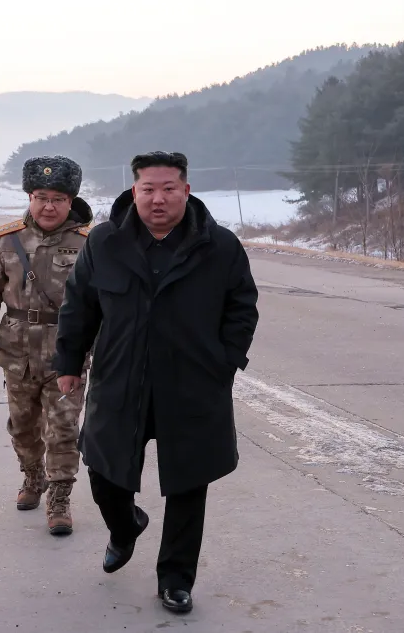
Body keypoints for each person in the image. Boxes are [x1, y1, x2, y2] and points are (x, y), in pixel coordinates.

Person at [53, 150, 259, 614]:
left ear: (186, 190)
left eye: (169, 189)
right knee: (104, 469)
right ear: (134, 191)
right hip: (120, 376)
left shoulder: (219, 246)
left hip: (192, 385)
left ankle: (175, 579)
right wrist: (68, 361)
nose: (158, 198)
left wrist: (224, 362)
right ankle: (125, 527)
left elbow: (242, 305)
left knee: (189, 483)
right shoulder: (105, 241)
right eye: (148, 189)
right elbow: (79, 305)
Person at [0, 155, 94, 535]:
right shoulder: (8, 238)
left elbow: (104, 301)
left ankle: (60, 496)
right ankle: (33, 476)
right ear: (29, 196)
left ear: (71, 201)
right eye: (41, 197)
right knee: (23, 427)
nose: (49, 206)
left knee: (64, 429)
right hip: (17, 351)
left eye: (58, 198)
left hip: (67, 351)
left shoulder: (89, 242)